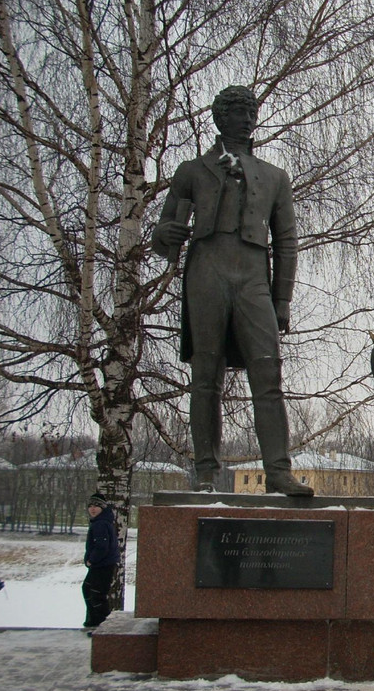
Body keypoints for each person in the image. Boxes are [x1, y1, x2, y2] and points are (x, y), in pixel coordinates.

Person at [152, 85, 311, 496]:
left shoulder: (274, 177)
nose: (247, 118)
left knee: (268, 373)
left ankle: (277, 471)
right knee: (206, 376)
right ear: (220, 118)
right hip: (206, 272)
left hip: (253, 277)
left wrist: (282, 300)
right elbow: (163, 238)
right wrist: (164, 233)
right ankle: (205, 471)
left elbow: (287, 243)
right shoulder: (191, 171)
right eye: (239, 111)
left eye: (251, 111)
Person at [83, 493, 119, 630]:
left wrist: (91, 560)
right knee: (88, 590)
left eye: (96, 506)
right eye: (90, 506)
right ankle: (94, 622)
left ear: (103, 508)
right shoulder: (102, 521)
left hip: (102, 565)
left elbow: (102, 546)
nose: (92, 509)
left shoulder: (101, 524)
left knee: (97, 595)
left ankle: (101, 626)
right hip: (102, 564)